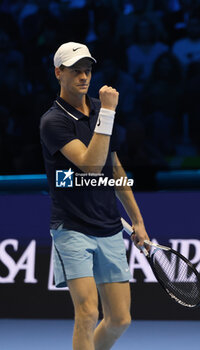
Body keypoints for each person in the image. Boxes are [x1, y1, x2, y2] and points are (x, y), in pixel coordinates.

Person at [40, 42, 149, 350]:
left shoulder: (100, 112)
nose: (84, 77)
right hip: (72, 228)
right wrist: (110, 113)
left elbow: (114, 169)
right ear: (59, 73)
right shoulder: (53, 121)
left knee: (119, 319)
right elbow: (90, 165)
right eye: (76, 71)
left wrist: (137, 221)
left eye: (87, 70)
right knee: (87, 313)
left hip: (110, 227)